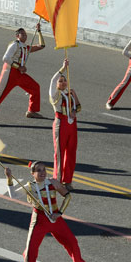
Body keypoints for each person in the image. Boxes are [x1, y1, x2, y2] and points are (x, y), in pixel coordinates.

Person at [5, 162, 91, 262]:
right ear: (32, 174)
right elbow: (13, 195)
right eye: (39, 170)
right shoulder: (30, 187)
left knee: (72, 242)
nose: (43, 172)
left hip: (56, 218)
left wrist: (60, 213)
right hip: (39, 220)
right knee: (30, 251)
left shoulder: (53, 182)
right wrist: (9, 178)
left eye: (44, 169)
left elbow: (67, 196)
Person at [0, 26, 46, 121]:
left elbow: (42, 46)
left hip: (19, 74)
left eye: (25, 34)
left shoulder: (25, 47)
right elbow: (5, 58)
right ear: (17, 36)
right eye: (22, 34)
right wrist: (19, 67)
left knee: (35, 87)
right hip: (9, 73)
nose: (25, 36)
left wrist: (39, 31)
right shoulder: (14, 44)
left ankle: (32, 111)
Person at [49, 59, 80, 189]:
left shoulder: (70, 92)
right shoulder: (55, 94)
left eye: (64, 80)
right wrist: (63, 67)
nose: (63, 83)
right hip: (60, 124)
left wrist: (74, 110)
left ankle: (68, 180)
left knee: (71, 152)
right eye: (60, 81)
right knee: (60, 153)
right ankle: (58, 180)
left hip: (72, 124)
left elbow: (78, 107)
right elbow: (52, 80)